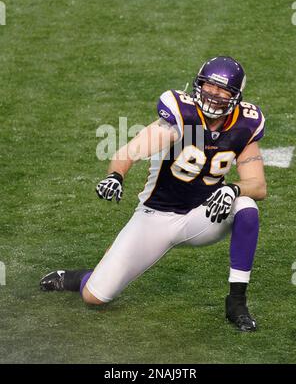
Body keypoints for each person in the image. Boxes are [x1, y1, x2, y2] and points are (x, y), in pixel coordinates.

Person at [40, 56, 267, 332]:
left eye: (223, 91)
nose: (213, 94)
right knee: (95, 297)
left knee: (246, 205)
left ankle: (236, 302)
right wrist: (116, 175)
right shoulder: (180, 117)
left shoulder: (244, 125)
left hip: (204, 214)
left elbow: (258, 186)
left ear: (236, 97)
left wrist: (233, 188)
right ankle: (82, 278)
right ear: (199, 85)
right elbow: (130, 152)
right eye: (208, 86)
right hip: (155, 217)